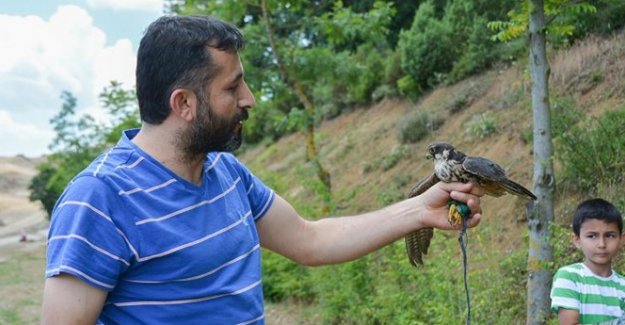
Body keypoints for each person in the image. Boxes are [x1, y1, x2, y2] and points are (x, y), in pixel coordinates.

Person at [40, 15, 485, 324]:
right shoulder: (98, 198)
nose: (250, 99)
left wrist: (419, 211)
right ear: (184, 103)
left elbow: (310, 240)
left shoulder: (227, 174)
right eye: (233, 87)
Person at [551, 198, 625, 325]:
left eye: (609, 235)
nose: (602, 244)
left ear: (622, 239)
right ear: (577, 240)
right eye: (592, 236)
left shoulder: (622, 285)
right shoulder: (569, 277)